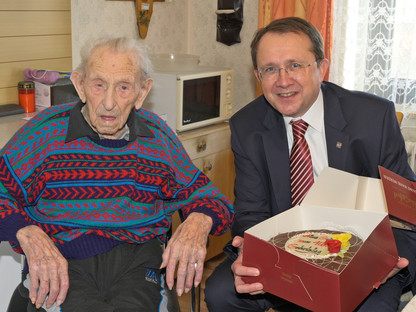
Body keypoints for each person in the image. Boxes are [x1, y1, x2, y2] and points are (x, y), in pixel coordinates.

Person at [1, 37, 233, 312]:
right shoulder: (45, 132)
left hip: (137, 263)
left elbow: (210, 197)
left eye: (124, 87)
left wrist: (199, 219)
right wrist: (25, 231)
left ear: (142, 92)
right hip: (63, 260)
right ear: (80, 85)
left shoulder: (157, 137)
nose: (109, 102)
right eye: (99, 85)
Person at [204, 17, 416, 312]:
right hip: (286, 256)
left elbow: (405, 212)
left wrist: (393, 262)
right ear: (257, 75)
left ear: (322, 68)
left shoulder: (373, 117)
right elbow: (251, 211)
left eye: (295, 65)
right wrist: (249, 255)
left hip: (362, 260)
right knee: (220, 292)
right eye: (270, 69)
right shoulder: (247, 126)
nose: (283, 80)